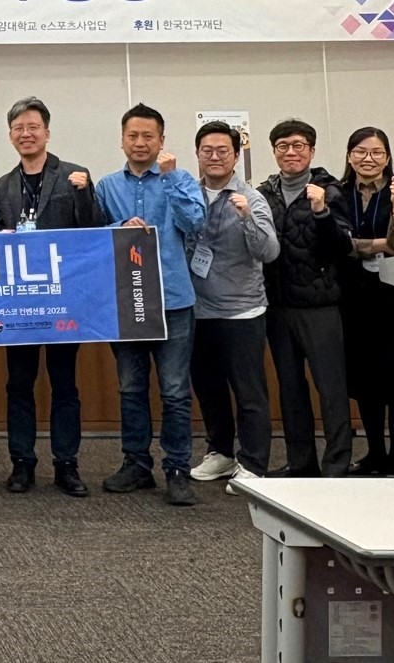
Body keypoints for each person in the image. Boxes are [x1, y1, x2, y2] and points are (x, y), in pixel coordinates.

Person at [0, 96, 106, 496]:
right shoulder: (3, 185)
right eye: (19, 128)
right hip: (19, 302)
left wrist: (84, 194)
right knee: (18, 384)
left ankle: (66, 464)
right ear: (11, 136)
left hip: (62, 299)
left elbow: (93, 231)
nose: (26, 134)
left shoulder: (74, 176)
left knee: (65, 384)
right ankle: (22, 463)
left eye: (33, 127)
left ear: (47, 133)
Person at [94, 104, 206, 506]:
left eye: (148, 136)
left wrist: (172, 178)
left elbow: (195, 223)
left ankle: (177, 469)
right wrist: (118, 227)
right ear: (122, 140)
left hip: (173, 299)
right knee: (130, 388)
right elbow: (91, 236)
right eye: (133, 136)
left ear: (161, 140)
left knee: (174, 391)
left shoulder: (181, 178)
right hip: (126, 302)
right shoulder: (106, 186)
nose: (140, 143)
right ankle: (136, 464)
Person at [184, 121, 279, 495]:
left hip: (241, 311)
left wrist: (247, 218)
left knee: (249, 392)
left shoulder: (251, 198)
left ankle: (253, 463)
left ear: (236, 155)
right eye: (207, 150)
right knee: (209, 389)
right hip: (197, 310)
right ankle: (221, 452)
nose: (214, 156)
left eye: (222, 150)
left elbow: (269, 252)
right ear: (197, 154)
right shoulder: (189, 194)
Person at [258, 119, 354, 478]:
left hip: (319, 305)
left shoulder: (330, 190)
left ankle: (337, 465)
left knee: (331, 388)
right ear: (274, 152)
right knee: (290, 389)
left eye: (298, 145)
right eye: (283, 146)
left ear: (311, 151)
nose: (291, 152)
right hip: (278, 305)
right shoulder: (264, 194)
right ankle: (301, 463)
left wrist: (322, 213)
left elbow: (342, 246)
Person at [339, 127, 394, 477]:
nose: (368, 159)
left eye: (376, 152)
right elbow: (335, 243)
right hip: (353, 298)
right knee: (364, 381)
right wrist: (374, 244)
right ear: (349, 156)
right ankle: (374, 453)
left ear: (387, 158)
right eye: (360, 151)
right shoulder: (338, 193)